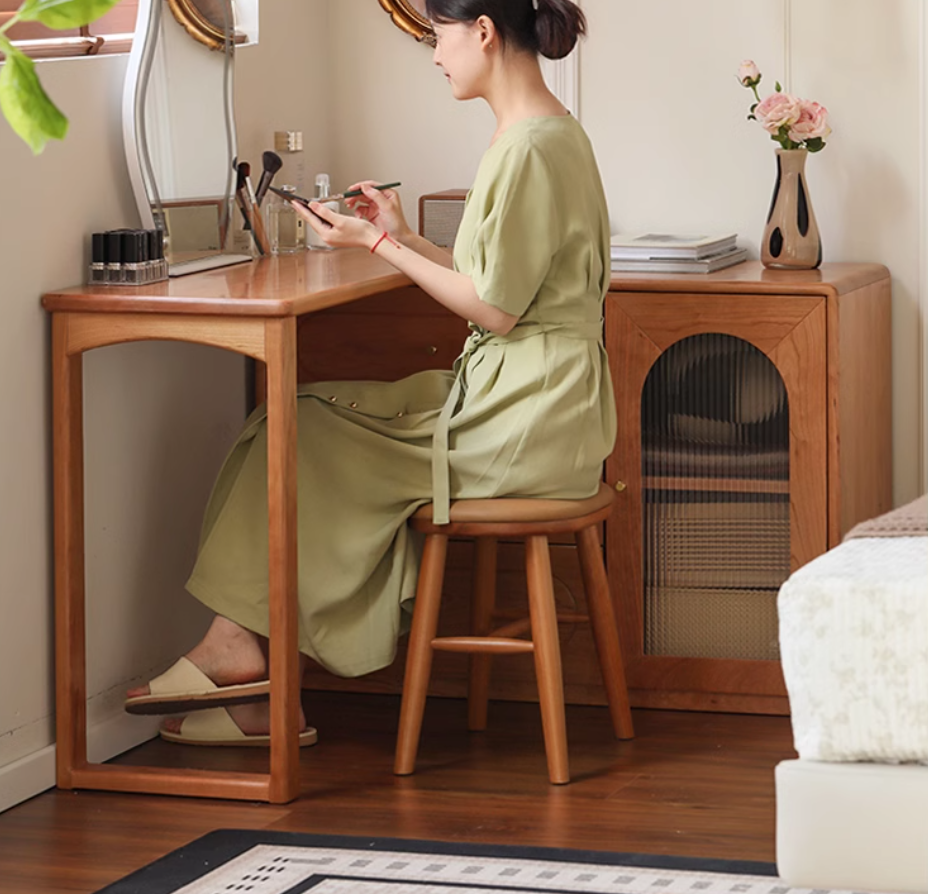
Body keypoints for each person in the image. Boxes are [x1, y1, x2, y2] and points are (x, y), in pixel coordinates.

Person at [125, 0, 616, 747]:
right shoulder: (552, 133)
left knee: (301, 428)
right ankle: (250, 672)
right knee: (293, 420)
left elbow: (494, 309)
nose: (435, 55)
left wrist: (375, 248)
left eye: (440, 37)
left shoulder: (525, 150)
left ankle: (240, 660)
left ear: (483, 31)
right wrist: (404, 235)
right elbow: (507, 281)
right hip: (543, 399)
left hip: (524, 416)